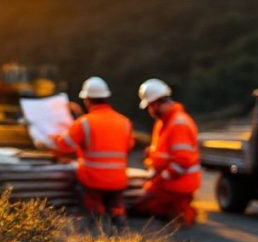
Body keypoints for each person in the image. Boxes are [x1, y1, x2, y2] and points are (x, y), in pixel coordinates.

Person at [52, 77, 134, 230]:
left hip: (92, 181)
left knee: (80, 187)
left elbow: (64, 146)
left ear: (87, 100)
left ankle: (91, 216)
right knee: (115, 201)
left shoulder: (84, 123)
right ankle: (119, 219)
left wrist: (54, 137)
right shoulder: (125, 121)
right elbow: (128, 147)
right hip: (118, 181)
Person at [132, 78, 202, 225]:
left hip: (176, 186)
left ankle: (182, 212)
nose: (149, 111)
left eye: (149, 107)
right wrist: (151, 154)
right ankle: (177, 211)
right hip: (169, 183)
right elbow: (163, 151)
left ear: (155, 104)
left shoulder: (178, 124)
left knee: (139, 207)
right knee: (138, 203)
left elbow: (181, 162)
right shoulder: (164, 122)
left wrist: (160, 178)